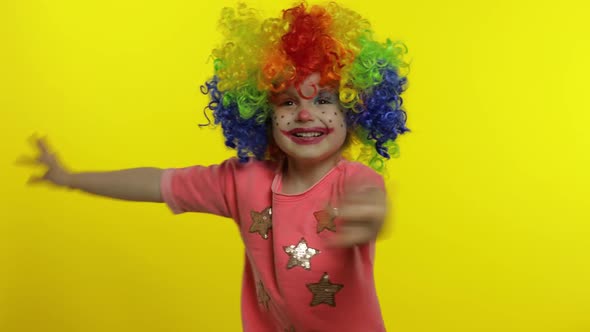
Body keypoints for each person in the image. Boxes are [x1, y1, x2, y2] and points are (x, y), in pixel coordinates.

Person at [20, 2, 409, 331]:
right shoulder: (243, 180)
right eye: (287, 102)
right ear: (262, 114)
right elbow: (157, 183)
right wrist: (71, 178)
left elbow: (371, 198)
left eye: (324, 99)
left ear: (355, 111)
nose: (306, 114)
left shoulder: (354, 181)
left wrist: (372, 214)